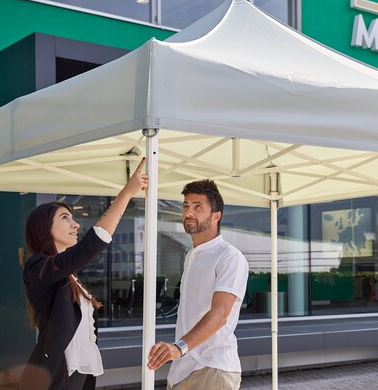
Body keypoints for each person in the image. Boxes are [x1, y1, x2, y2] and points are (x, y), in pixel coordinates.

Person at [19, 158, 148, 390]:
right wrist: (127, 193)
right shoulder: (37, 268)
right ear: (43, 228)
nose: (75, 224)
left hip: (79, 374)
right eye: (65, 218)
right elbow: (91, 245)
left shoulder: (70, 276)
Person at [148, 179, 249, 390]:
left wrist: (179, 347)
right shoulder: (192, 256)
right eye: (186, 206)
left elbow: (220, 314)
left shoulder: (229, 257)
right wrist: (179, 352)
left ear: (216, 216)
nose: (188, 213)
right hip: (182, 369)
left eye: (197, 207)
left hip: (212, 367)